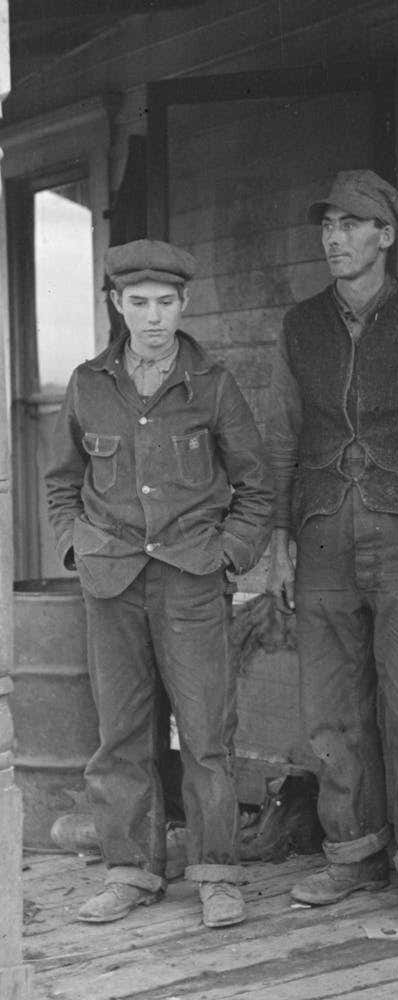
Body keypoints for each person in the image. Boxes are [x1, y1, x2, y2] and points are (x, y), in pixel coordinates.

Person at [266, 169, 398, 918]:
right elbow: (283, 438)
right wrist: (278, 539)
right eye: (328, 224)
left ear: (386, 236)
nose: (334, 237)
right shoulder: (301, 327)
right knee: (331, 709)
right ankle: (352, 854)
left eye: (352, 224)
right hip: (321, 533)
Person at [46, 239, 274, 927]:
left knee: (206, 731)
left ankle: (216, 872)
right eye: (138, 303)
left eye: (165, 303)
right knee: (122, 734)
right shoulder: (89, 384)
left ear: (184, 304)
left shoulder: (214, 385)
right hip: (112, 584)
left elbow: (257, 488)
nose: (152, 317)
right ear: (117, 304)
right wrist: (76, 548)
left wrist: (229, 555)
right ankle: (130, 870)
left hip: (191, 581)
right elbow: (61, 486)